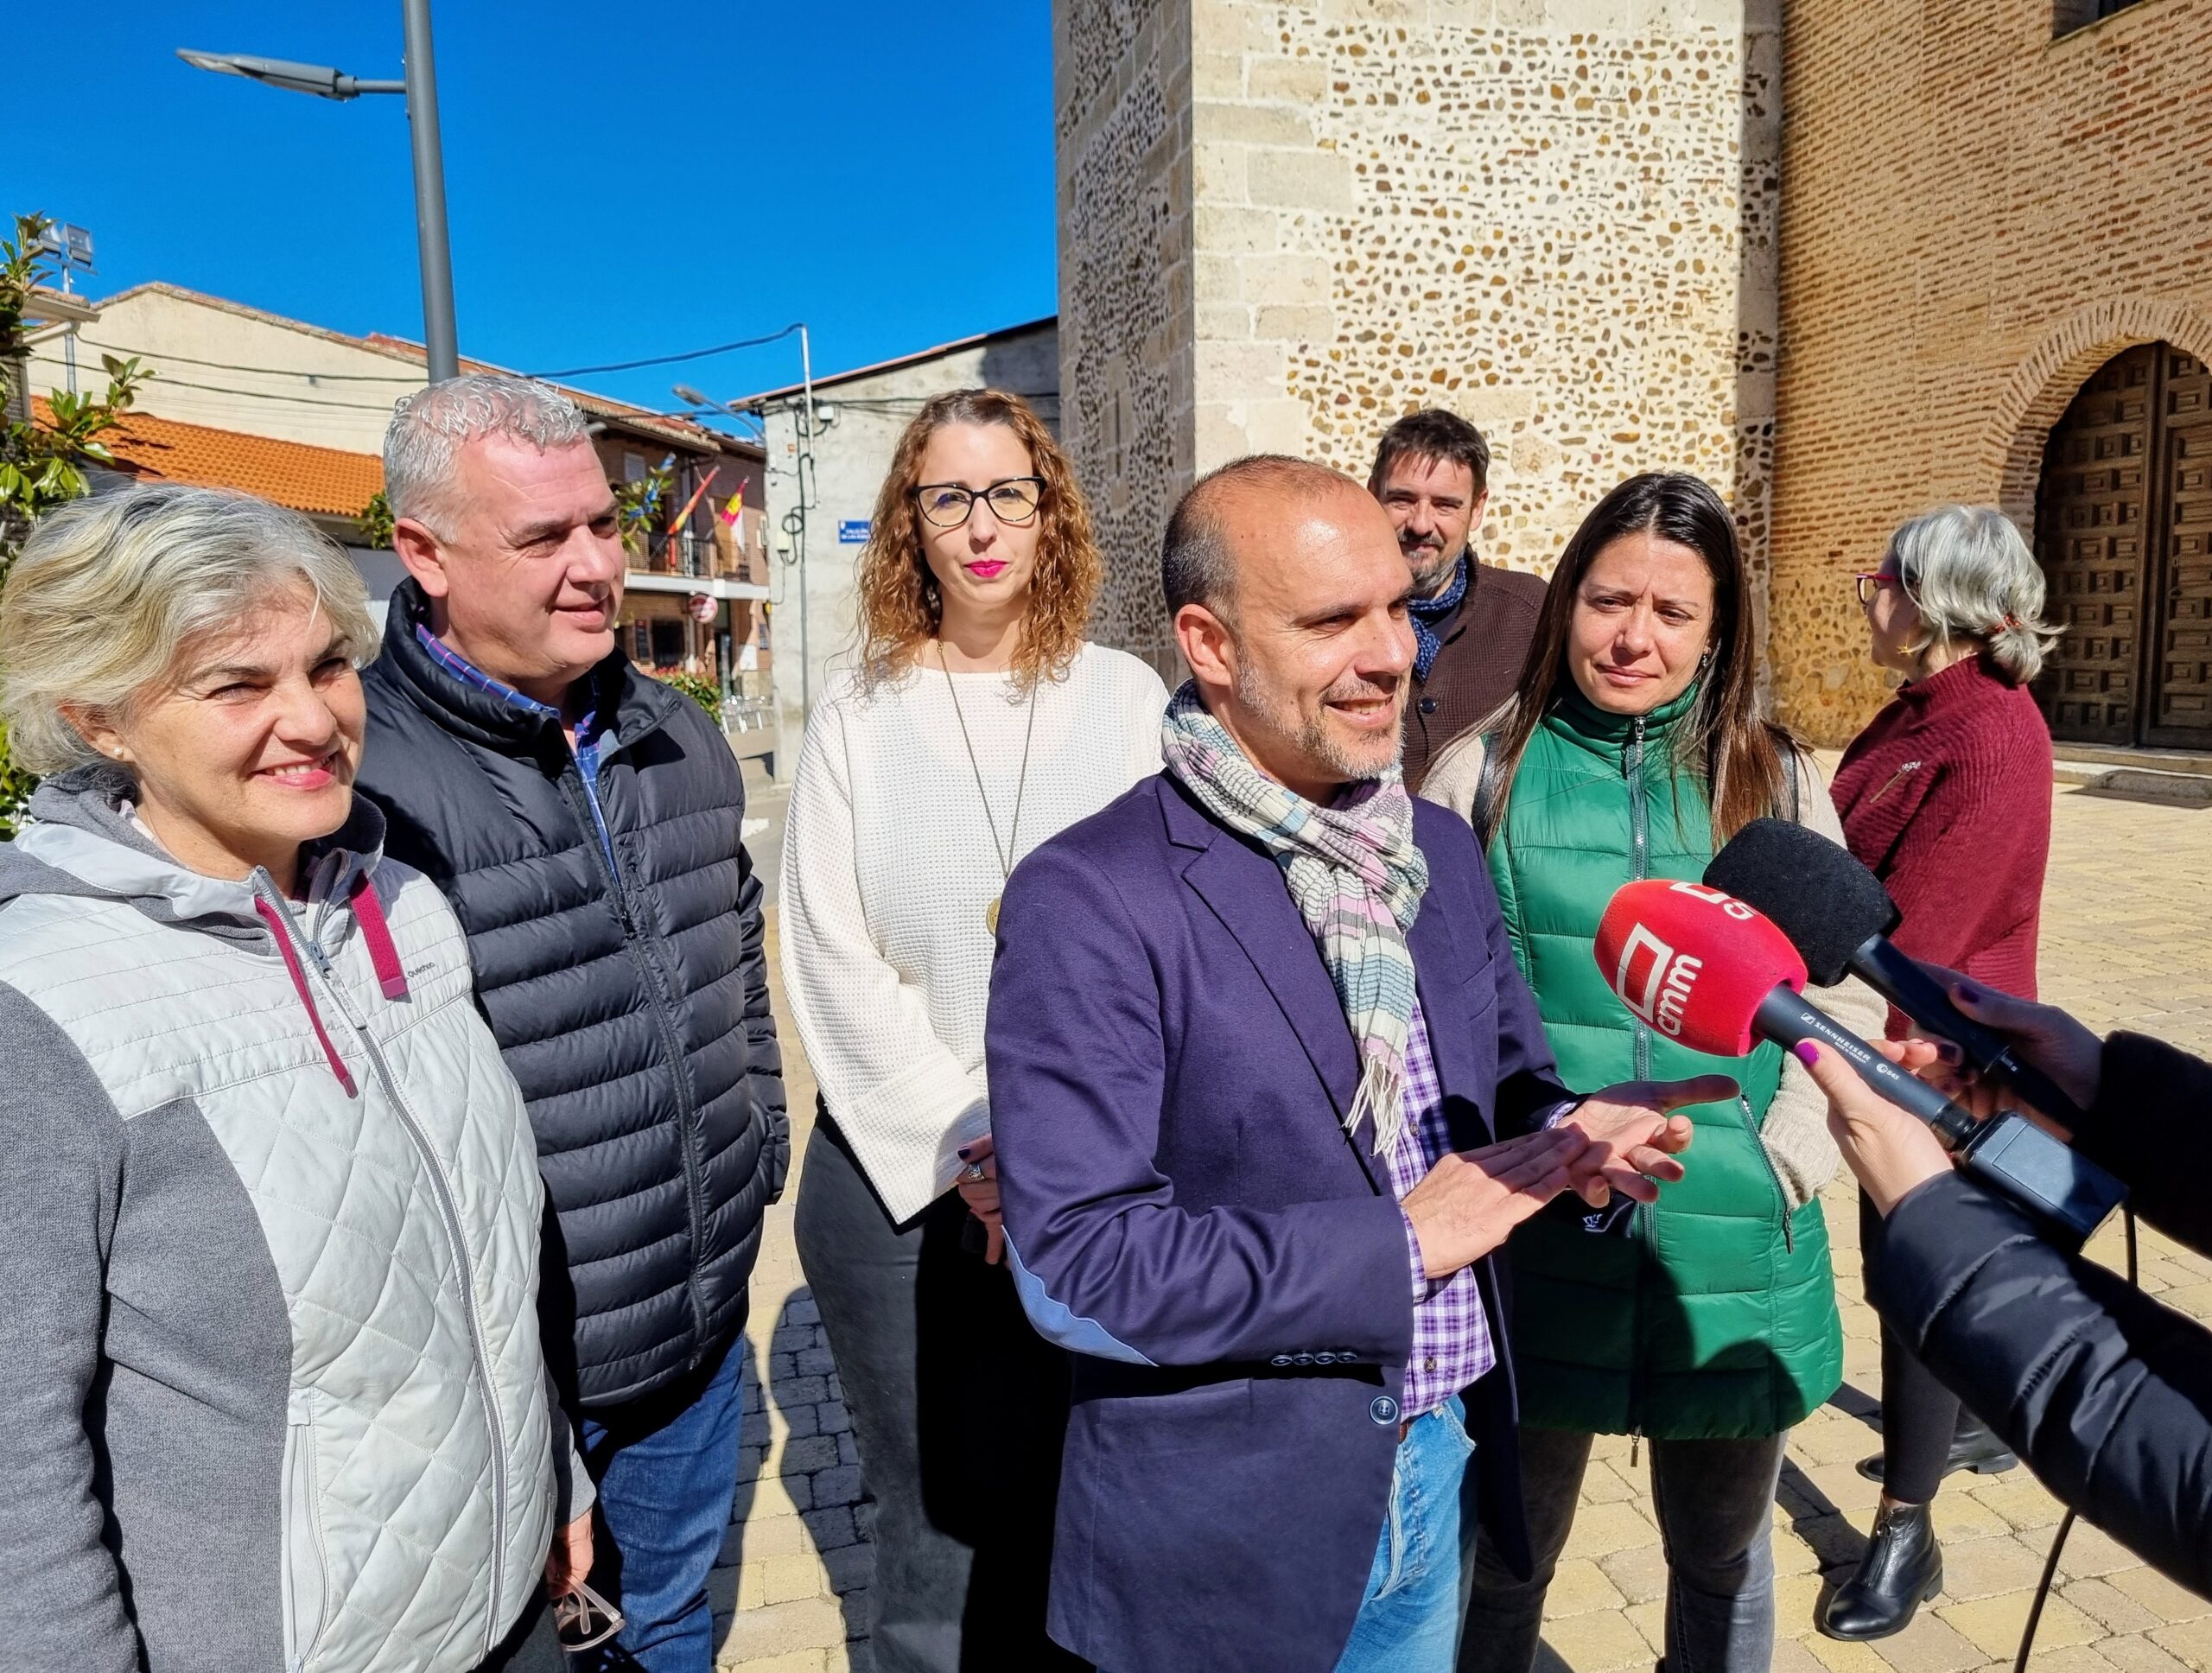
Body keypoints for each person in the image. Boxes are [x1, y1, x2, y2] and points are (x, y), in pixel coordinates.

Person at [987, 455, 1731, 1673]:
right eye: (1334, 620)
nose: (1393, 654)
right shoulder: (1092, 896)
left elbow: (1500, 1082)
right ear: (1209, 645)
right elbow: (1077, 1266)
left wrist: (1572, 1140)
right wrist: (1398, 1245)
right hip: (1228, 1532)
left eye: (1396, 606)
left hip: (1434, 1472)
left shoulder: (1427, 842)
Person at [0, 484, 590, 1671]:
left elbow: (483, 1259)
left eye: (326, 666)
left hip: (507, 1608)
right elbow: (18, 1462)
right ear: (100, 718)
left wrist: (551, 1472)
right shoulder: (39, 1003)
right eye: (235, 685)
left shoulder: (402, 904)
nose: (312, 720)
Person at [355, 375, 788, 1673]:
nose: (598, 566)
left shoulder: (677, 734)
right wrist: (514, 1417)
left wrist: (758, 1138)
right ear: (423, 553)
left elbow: (738, 954)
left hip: (695, 1336)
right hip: (493, 1392)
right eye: (544, 540)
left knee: (667, 1631)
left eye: (602, 525)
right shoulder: (359, 788)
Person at [1422, 471, 1885, 1673]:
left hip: (1733, 1253)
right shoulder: (1481, 776)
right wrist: (1516, 1158)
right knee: (1506, 1562)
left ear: (1718, 629)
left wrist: (1780, 1165)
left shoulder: (1771, 777)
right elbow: (1426, 1008)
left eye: (1673, 612)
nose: (1634, 636)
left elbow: (1854, 993)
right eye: (1609, 598)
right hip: (1536, 1247)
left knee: (1723, 1566)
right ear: (1566, 598)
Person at [779, 388, 1167, 1672]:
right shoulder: (861, 708)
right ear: (911, 523)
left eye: (1010, 492)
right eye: (949, 497)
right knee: (938, 1545)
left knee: (1091, 1509)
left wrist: (1053, 1150)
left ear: (1050, 511)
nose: (982, 525)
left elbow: (1168, 944)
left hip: (1104, 1180)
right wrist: (976, 1143)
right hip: (907, 1191)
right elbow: (829, 954)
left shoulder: (1125, 702)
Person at [1819, 505, 2058, 1639]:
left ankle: (1905, 1535)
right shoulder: (1918, 711)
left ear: (1933, 606)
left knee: (1912, 1284)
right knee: (1898, 1280)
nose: (1867, 592)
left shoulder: (1991, 731)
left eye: (1883, 578)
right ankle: (1965, 1423)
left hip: (1943, 1060)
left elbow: (1928, 935)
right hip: (1896, 1036)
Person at [1794, 980, 2212, 1602]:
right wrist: (2114, 1096)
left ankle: (1907, 1519)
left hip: (1932, 1057)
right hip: (1983, 1065)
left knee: (1915, 1297)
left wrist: (1946, 1235)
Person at [1367, 409, 1549, 791]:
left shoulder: (1529, 614)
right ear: (1372, 494)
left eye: (1445, 505)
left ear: (1478, 507)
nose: (1420, 524)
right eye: (1402, 499)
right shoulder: (1327, 614)